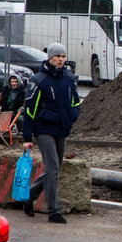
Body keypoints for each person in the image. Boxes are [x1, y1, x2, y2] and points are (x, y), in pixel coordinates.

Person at [22, 43, 81, 224]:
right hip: (44, 130)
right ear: (50, 58)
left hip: (61, 129)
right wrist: (27, 137)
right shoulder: (39, 80)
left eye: (63, 56)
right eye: (57, 56)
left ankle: (29, 195)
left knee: (54, 169)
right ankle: (54, 211)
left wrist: (72, 117)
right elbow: (30, 109)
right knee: (53, 167)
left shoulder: (69, 78)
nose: (61, 59)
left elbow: (76, 102)